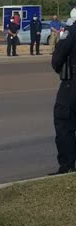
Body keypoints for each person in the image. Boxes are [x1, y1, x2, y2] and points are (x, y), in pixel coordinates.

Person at [50, 8, 76, 175]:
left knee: (64, 122)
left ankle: (67, 166)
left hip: (72, 84)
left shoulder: (71, 31)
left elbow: (57, 58)